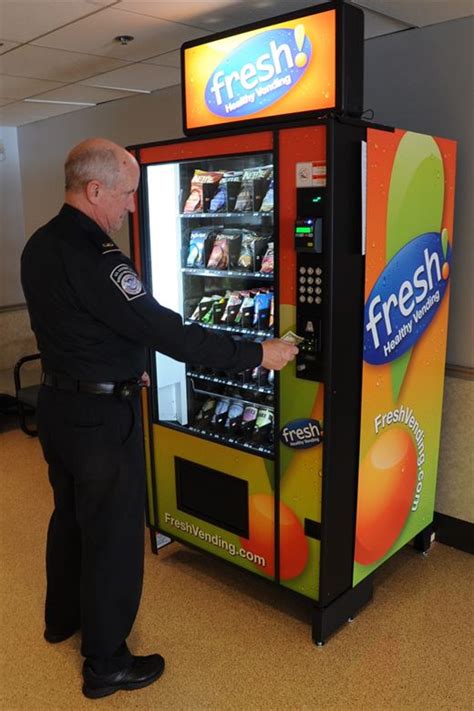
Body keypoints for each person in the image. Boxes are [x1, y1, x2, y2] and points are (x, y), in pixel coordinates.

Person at [20, 138, 298, 699]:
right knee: (114, 537)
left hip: (60, 407)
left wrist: (126, 368)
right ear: (94, 189)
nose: (129, 210)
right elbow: (166, 330)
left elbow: (80, 328)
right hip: (102, 421)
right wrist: (255, 354)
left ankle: (62, 620)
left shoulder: (39, 245)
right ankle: (106, 665)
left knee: (70, 518)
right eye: (125, 197)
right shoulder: (100, 259)